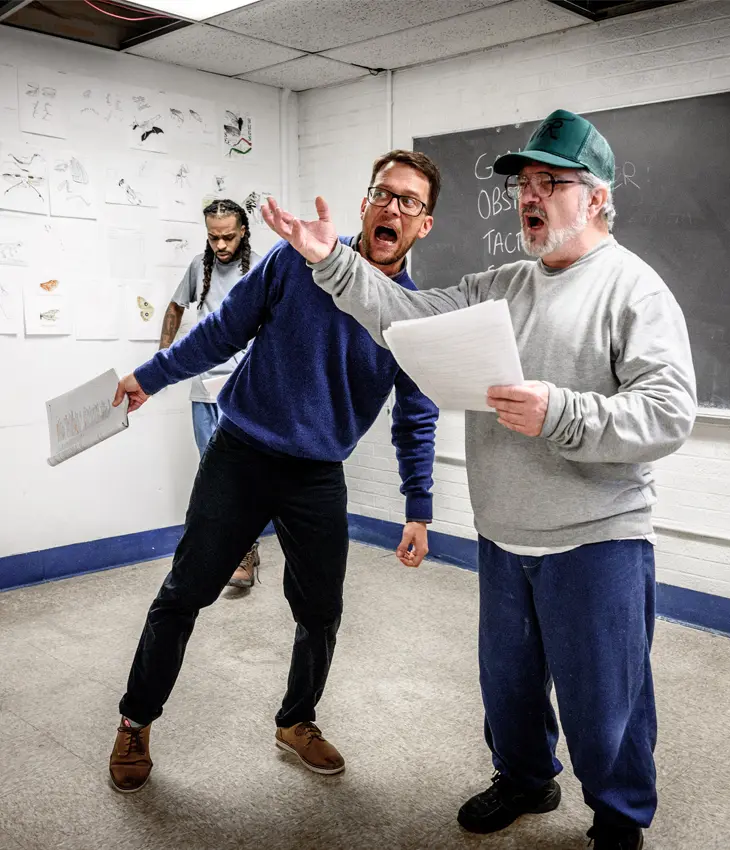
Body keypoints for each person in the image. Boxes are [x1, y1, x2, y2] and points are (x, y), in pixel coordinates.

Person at [262, 110, 697, 850]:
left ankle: (619, 819)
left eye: (550, 183)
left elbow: (667, 414)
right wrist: (329, 263)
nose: (530, 196)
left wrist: (560, 410)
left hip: (598, 540)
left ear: (595, 196)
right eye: (524, 184)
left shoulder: (634, 290)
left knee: (606, 703)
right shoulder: (501, 282)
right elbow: (404, 314)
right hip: (503, 533)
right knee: (509, 687)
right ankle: (527, 780)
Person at [108, 149, 441, 793]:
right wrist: (151, 377)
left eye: (410, 202)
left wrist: (418, 507)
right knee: (184, 593)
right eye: (383, 193)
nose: (392, 207)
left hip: (317, 471)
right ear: (366, 202)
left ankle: (297, 722)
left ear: (423, 225)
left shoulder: (409, 312)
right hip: (242, 453)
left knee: (321, 609)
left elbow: (416, 414)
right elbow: (223, 331)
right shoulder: (298, 259)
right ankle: (134, 721)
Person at [159, 199, 263, 588]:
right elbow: (174, 309)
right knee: (211, 474)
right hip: (204, 389)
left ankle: (246, 550)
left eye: (228, 237)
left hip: (243, 391)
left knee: (245, 475)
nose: (220, 245)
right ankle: (215, 552)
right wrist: (164, 356)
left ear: (243, 232)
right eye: (213, 237)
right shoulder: (197, 269)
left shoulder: (261, 267)